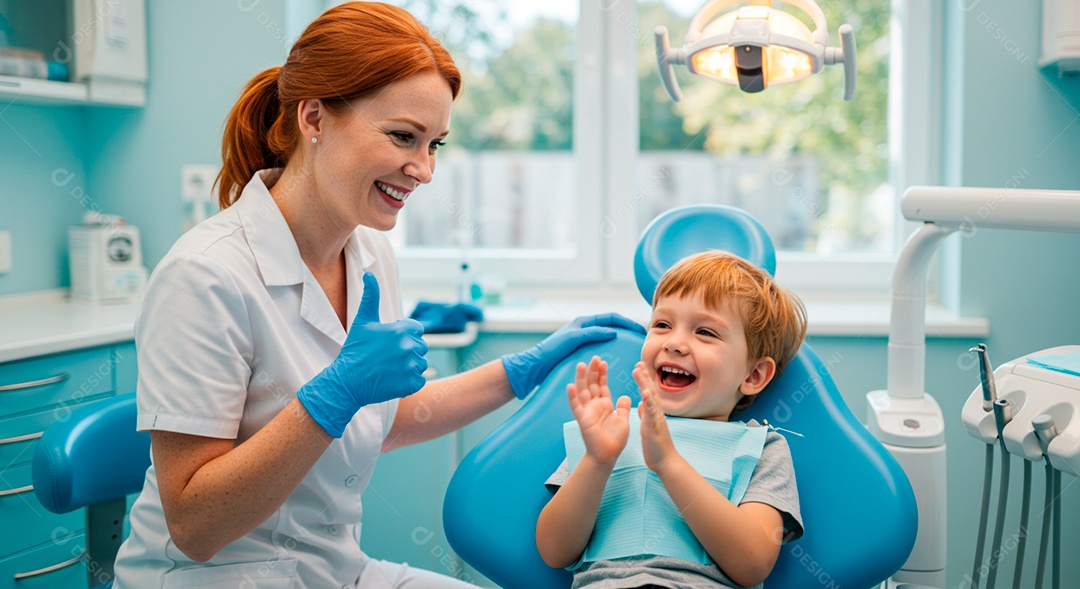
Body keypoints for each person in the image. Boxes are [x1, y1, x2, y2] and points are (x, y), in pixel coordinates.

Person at [111, 4, 642, 588]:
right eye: (403, 137)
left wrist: (519, 371)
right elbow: (194, 525)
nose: (424, 170)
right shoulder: (205, 275)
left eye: (435, 143)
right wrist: (334, 394)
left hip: (336, 572)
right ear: (314, 117)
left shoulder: (368, 254)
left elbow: (379, 421)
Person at [536, 251, 808, 589]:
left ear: (753, 375)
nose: (675, 343)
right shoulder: (608, 433)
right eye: (662, 325)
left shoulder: (761, 449)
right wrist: (597, 461)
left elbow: (752, 564)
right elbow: (554, 552)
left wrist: (669, 463)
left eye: (706, 332)